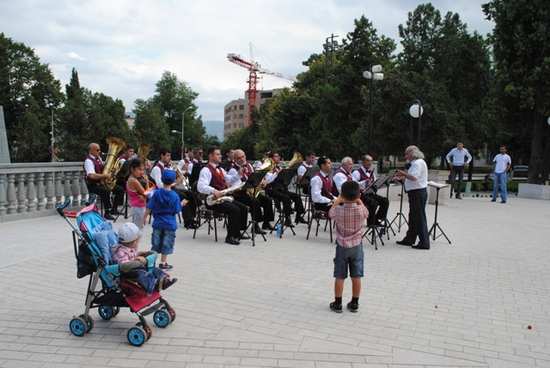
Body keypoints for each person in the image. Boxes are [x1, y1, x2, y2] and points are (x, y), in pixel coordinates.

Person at [328, 180, 369, 313]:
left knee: (340, 275)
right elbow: (366, 213)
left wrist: (337, 201)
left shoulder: (338, 210)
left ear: (342, 195)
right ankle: (354, 303)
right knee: (356, 275)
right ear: (358, 196)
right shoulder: (361, 210)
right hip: (357, 246)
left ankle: (338, 302)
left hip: (341, 245)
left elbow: (330, 213)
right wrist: (359, 201)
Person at [197, 146, 249, 245]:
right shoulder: (206, 170)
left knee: (243, 208)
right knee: (234, 210)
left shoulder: (220, 169)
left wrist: (239, 174)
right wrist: (213, 190)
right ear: (211, 156)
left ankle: (237, 233)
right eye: (218, 154)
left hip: (221, 198)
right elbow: (200, 186)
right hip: (212, 201)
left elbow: (229, 180)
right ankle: (230, 236)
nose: (221, 156)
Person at [112, 223, 177, 296]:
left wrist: (139, 253)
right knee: (142, 275)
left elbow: (130, 255)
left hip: (136, 268)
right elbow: (124, 265)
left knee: (153, 269)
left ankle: (164, 279)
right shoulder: (119, 252)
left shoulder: (128, 249)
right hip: (129, 273)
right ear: (134, 242)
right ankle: (152, 285)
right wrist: (135, 260)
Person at [141, 170, 188, 270]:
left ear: (161, 180)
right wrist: (182, 204)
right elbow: (176, 210)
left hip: (158, 222)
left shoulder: (156, 194)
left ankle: (151, 262)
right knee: (167, 243)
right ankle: (163, 262)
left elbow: (149, 206)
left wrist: (144, 219)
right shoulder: (175, 196)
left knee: (156, 243)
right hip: (170, 224)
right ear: (174, 181)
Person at [228, 149, 275, 233]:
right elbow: (237, 186)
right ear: (235, 160)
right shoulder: (233, 170)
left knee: (267, 200)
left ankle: (266, 223)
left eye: (243, 157)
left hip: (250, 192)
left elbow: (254, 177)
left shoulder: (249, 165)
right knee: (255, 201)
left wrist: (262, 181)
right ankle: (255, 226)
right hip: (240, 195)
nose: (242, 159)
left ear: (245, 156)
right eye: (239, 158)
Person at [150, 148, 197, 229]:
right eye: (167, 155)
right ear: (162, 156)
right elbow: (160, 185)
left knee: (190, 193)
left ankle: (192, 217)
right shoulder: (157, 168)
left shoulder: (169, 166)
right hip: (162, 191)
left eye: (170, 155)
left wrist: (177, 177)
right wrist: (175, 183)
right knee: (182, 196)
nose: (169, 157)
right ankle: (188, 221)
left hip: (171, 189)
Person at [394, 145, 430, 250]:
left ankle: (424, 241)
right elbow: (412, 177)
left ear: (413, 154)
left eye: (407, 154)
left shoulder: (418, 163)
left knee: (419, 217)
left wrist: (404, 174)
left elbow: (414, 178)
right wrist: (403, 177)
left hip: (418, 193)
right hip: (414, 193)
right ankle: (410, 238)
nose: (406, 156)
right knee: (413, 216)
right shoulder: (415, 163)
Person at [264, 151, 307, 226]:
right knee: (286, 197)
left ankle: (298, 216)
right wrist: (276, 174)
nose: (279, 157)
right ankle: (288, 218)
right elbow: (267, 181)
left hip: (281, 189)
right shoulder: (268, 168)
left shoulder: (279, 167)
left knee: (297, 196)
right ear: (271, 158)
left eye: (278, 156)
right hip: (271, 190)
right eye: (276, 156)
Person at [84, 142, 125, 220]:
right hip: (93, 185)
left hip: (102, 182)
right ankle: (107, 212)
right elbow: (91, 175)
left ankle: (114, 209)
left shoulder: (98, 158)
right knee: (105, 191)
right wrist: (105, 176)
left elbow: (103, 169)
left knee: (120, 189)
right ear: (91, 151)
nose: (99, 151)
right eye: (97, 150)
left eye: (99, 150)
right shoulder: (88, 161)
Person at [352, 155, 390, 226]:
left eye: (371, 161)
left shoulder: (371, 173)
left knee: (385, 201)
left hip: (370, 193)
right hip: (361, 195)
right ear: (363, 162)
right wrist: (363, 182)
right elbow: (353, 184)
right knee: (373, 203)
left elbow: (375, 183)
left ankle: (377, 218)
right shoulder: (357, 172)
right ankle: (371, 222)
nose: (369, 163)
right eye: (367, 161)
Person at [126, 158, 150, 228]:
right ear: (132, 169)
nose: (142, 172)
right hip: (138, 208)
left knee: (136, 229)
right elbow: (148, 194)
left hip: (136, 207)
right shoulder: (134, 181)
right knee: (138, 231)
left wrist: (144, 196)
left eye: (143, 170)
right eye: (139, 169)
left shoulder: (131, 179)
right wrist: (147, 181)